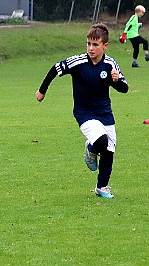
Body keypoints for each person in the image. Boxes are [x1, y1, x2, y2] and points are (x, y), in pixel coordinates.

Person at [36, 23, 128, 199]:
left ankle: (102, 188)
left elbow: (124, 88)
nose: (91, 48)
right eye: (88, 44)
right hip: (84, 113)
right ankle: (91, 148)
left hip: (105, 113)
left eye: (95, 44)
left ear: (105, 46)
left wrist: (116, 81)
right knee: (101, 140)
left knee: (109, 151)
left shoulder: (110, 64)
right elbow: (55, 68)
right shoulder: (78, 62)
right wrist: (42, 91)